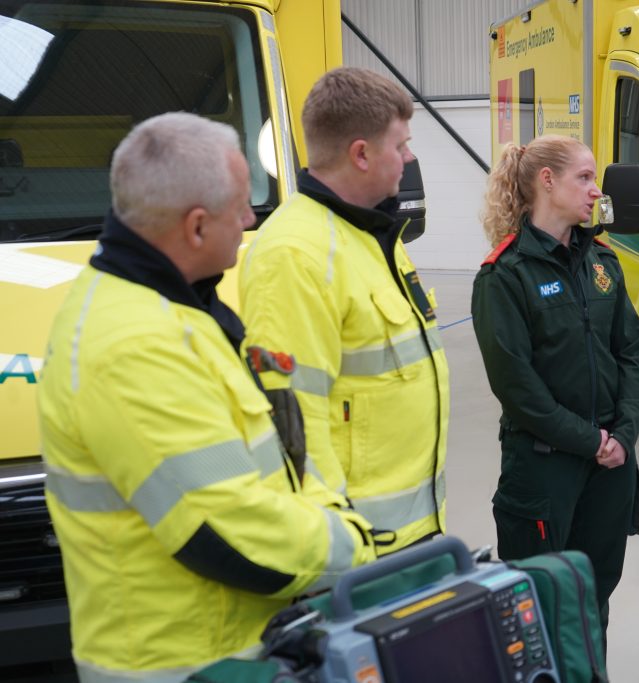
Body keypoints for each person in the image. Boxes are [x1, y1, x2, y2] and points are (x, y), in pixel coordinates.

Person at [38, 112, 377, 683]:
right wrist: (351, 544)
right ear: (196, 227)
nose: (250, 219)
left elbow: (274, 462)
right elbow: (231, 534)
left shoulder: (180, 306)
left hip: (238, 652)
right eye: (241, 207)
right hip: (183, 667)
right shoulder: (132, 346)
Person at [240, 67, 449, 554]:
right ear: (361, 154)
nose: (409, 158)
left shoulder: (372, 235)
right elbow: (293, 424)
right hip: (360, 551)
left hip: (412, 535)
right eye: (401, 145)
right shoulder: (294, 254)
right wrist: (339, 547)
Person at [471, 135, 639, 634]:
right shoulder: (505, 275)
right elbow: (517, 388)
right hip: (544, 468)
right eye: (584, 178)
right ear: (547, 181)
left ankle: (590, 670)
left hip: (610, 467)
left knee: (594, 599)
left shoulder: (602, 263)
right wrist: (590, 441)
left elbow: (630, 353)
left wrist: (623, 435)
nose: (596, 191)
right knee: (542, 607)